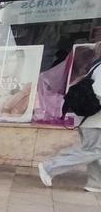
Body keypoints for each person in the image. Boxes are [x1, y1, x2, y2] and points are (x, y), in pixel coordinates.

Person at [39, 54, 101, 192]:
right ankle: (50, 167)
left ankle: (96, 183)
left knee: (94, 151)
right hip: (95, 121)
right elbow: (99, 92)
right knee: (94, 150)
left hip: (92, 120)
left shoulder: (96, 66)